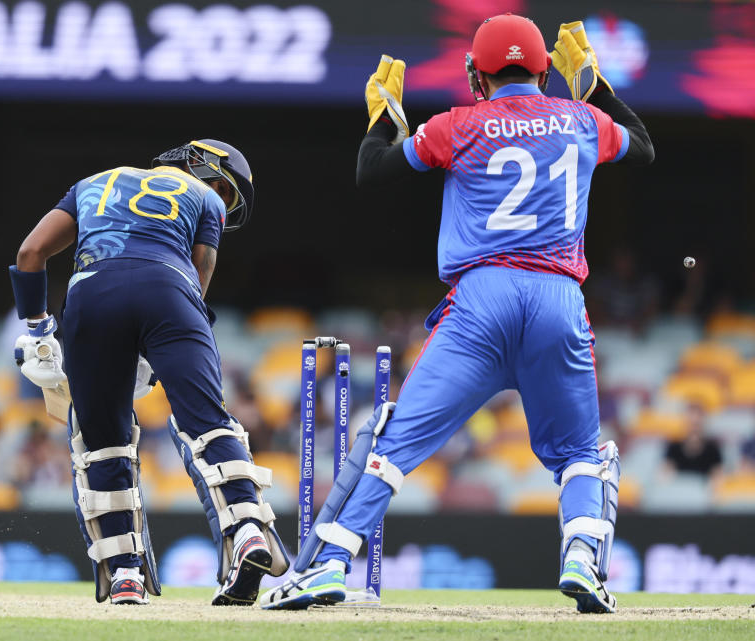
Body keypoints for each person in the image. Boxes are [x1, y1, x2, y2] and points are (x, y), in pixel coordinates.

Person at [261, 14, 654, 613]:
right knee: (579, 453)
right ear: (546, 70)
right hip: (558, 300)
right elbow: (643, 148)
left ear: (477, 71)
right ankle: (583, 560)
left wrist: (382, 118)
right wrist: (595, 86)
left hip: (483, 299)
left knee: (393, 445)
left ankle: (330, 565)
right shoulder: (582, 118)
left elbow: (372, 172)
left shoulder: (458, 124)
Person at [8, 140, 289, 606]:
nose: (223, 195)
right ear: (203, 168)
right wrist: (152, 347)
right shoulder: (205, 198)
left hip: (92, 293)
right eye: (224, 186)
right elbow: (199, 275)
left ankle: (124, 573)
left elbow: (30, 253)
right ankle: (246, 533)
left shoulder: (94, 182)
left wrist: (39, 332)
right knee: (207, 421)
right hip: (170, 290)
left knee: (101, 443)